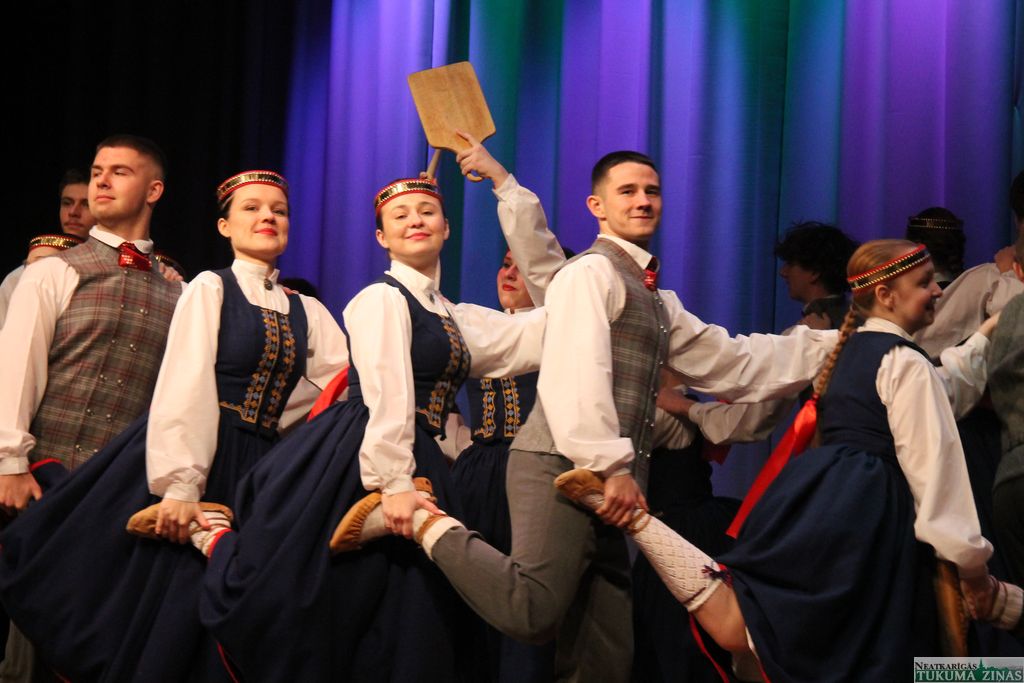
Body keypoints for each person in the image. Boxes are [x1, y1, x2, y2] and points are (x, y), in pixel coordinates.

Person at [337, 151, 840, 680]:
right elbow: (577, 371)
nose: (642, 201)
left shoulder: (653, 298)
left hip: (601, 476)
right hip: (566, 465)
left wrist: (839, 341)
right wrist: (611, 465)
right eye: (627, 191)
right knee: (532, 610)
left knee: (605, 645)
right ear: (597, 205)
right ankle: (428, 525)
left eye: (651, 191)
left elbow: (731, 360)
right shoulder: (588, 273)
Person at [122, 164, 549, 679]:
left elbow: (336, 382)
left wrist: (506, 187)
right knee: (281, 603)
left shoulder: (449, 316)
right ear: (380, 236)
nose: (416, 220)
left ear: (447, 226)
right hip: (362, 460)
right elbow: (378, 390)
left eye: (427, 211)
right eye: (400, 215)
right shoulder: (371, 298)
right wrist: (181, 480)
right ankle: (212, 540)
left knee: (408, 615)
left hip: (401, 457)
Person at [557, 239, 1005, 680]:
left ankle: (643, 527)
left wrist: (983, 337)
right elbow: (935, 471)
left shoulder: (845, 352)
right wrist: (971, 565)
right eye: (925, 283)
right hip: (872, 514)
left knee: (770, 627)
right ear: (886, 295)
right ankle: (641, 524)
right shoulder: (903, 362)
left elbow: (943, 390)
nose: (938, 290)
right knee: (903, 656)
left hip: (821, 498)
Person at [0, 170, 349, 681]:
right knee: (172, 614)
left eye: (278, 210)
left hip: (258, 471)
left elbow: (339, 388)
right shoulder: (210, 287)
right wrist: (181, 484)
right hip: (201, 458)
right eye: (251, 208)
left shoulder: (307, 309)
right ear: (224, 226)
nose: (268, 217)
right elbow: (186, 380)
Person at [0, 171, 94, 328]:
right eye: (67, 203)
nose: (73, 212)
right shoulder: (17, 278)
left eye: (86, 204)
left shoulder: (105, 274)